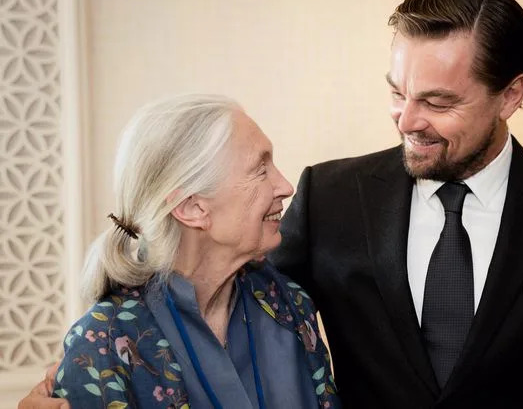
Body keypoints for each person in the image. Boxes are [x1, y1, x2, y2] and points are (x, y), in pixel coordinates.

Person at [268, 0, 523, 408]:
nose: (406, 121)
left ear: (510, 95)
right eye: (397, 93)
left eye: (438, 103)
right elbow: (245, 318)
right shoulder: (329, 198)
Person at [20, 94, 339, 409]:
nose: (285, 186)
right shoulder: (103, 345)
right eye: (260, 168)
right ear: (192, 208)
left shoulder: (287, 304)